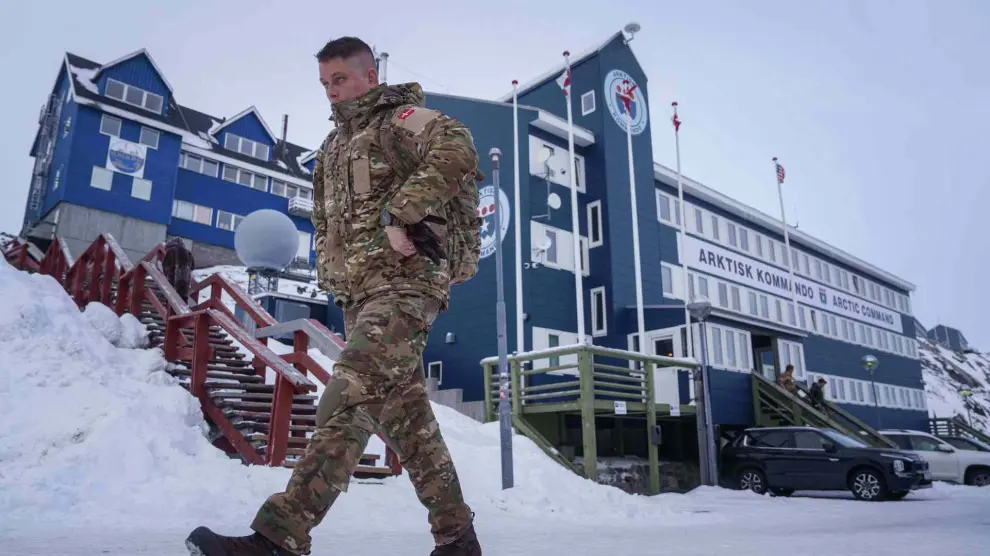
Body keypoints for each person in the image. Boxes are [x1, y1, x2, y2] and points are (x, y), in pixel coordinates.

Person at [186, 37, 482, 556]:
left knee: (349, 396)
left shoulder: (398, 120)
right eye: (324, 83)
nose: (331, 91)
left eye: (340, 79)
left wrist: (401, 213)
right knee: (409, 423)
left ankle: (281, 535)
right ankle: (458, 539)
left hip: (404, 285)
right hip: (358, 296)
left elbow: (457, 146)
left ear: (370, 76)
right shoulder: (332, 148)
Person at [162, 237, 194, 303]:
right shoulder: (189, 253)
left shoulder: (170, 251)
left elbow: (165, 265)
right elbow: (193, 267)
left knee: (171, 300)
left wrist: (166, 274)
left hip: (172, 281)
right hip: (185, 282)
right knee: (182, 301)